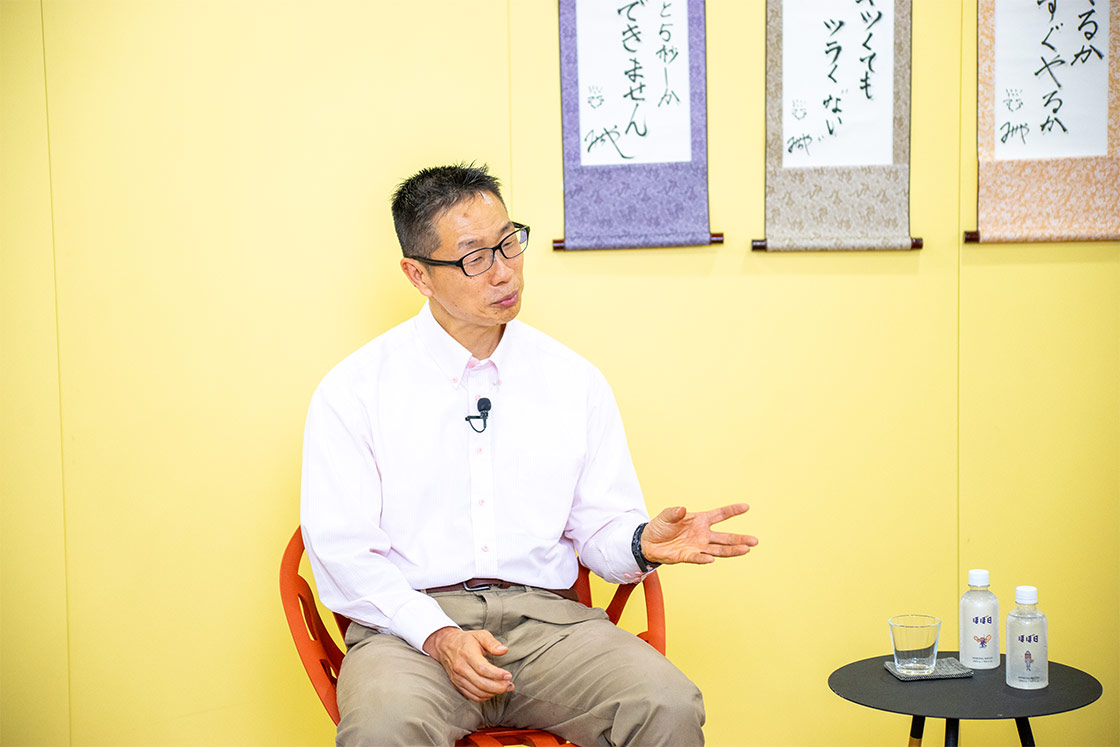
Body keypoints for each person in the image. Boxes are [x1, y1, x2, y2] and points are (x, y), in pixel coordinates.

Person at [300, 163, 759, 746]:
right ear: (418, 274)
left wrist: (641, 542)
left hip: (550, 627)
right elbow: (342, 550)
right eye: (474, 257)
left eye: (509, 243)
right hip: (408, 632)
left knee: (665, 702)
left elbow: (599, 527)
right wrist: (437, 634)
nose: (504, 271)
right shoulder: (355, 389)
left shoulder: (573, 380)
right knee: (383, 727)